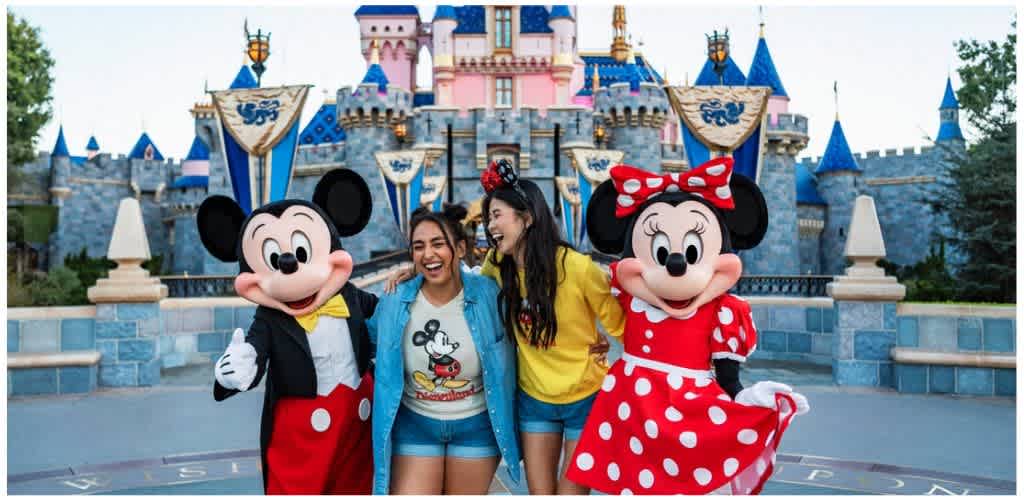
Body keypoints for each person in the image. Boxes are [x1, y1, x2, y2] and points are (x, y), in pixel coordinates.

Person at [566, 158, 809, 495]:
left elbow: (728, 379)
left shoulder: (724, 312)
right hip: (630, 409)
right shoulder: (628, 297)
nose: (676, 263)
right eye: (662, 251)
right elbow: (582, 297)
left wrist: (750, 398)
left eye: (691, 251)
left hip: (690, 412)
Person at [366, 204, 521, 494]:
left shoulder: (488, 295)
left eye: (438, 244)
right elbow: (361, 340)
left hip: (476, 428)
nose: (428, 254)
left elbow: (529, 321)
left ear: (460, 248)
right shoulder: (394, 300)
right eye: (418, 247)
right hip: (416, 426)